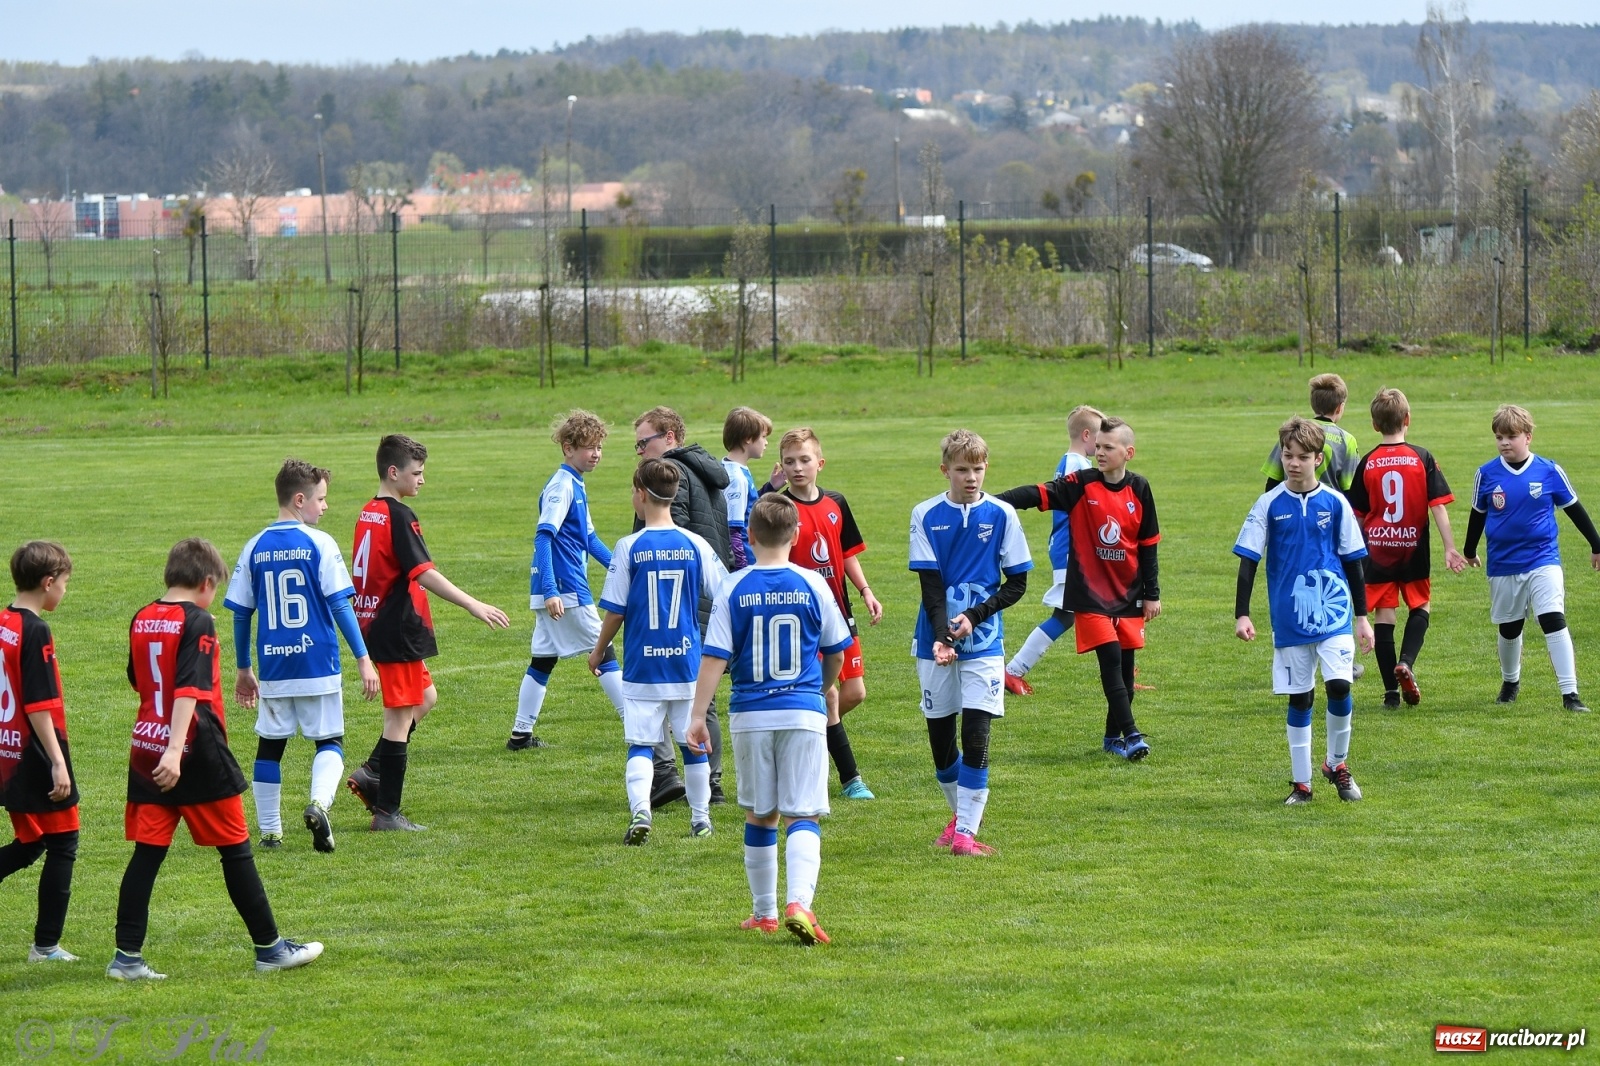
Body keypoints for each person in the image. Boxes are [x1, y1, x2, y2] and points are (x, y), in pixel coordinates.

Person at [110, 537, 322, 980]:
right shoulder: (200, 620)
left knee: (146, 855)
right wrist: (176, 749)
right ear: (207, 583)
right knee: (236, 851)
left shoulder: (143, 616)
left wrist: (161, 741)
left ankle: (126, 958)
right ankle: (270, 949)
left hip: (146, 745)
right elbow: (189, 687)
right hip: (193, 749)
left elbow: (139, 679)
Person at [686, 494, 852, 945]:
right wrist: (821, 687)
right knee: (804, 813)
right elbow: (837, 650)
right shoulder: (814, 585)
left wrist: (698, 715)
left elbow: (715, 657)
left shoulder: (733, 587)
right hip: (802, 711)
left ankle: (765, 914)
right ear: (796, 536)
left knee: (761, 816)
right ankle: (800, 902)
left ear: (752, 536)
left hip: (749, 715)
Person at [345, 435, 510, 831]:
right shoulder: (401, 515)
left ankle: (372, 771)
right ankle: (387, 813)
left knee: (427, 696)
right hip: (396, 627)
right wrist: (473, 604)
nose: (422, 481)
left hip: (375, 622)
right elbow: (424, 572)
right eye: (416, 473)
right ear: (393, 472)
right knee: (398, 720)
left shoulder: (368, 512)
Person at [227, 458, 380, 854]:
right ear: (300, 500)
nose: (325, 507)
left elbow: (242, 614)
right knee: (329, 740)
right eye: (321, 499)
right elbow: (341, 607)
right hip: (317, 664)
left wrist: (244, 667)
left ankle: (270, 831)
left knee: (270, 747)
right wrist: (363, 658)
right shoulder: (320, 543)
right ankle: (318, 804)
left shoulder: (254, 546)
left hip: (275, 666)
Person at [994, 417, 1162, 760]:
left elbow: (1148, 545)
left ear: (1128, 452)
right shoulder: (1081, 483)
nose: (1099, 453)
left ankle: (1111, 738)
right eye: (1097, 446)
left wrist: (1152, 593)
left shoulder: (1140, 488)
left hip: (1128, 594)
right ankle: (1132, 736)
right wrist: (991, 501)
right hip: (1089, 593)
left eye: (1108, 447)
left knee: (1127, 675)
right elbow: (1037, 494)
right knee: (1111, 660)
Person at [1234, 418, 1375, 805]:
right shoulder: (1268, 504)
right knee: (1301, 699)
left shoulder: (1335, 502)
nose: (1293, 464)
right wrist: (1242, 614)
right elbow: (1249, 560)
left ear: (1318, 458)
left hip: (1334, 614)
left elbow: (1353, 561)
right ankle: (1302, 784)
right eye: (1287, 456)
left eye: (1301, 457)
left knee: (1341, 686)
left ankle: (1337, 765)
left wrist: (1362, 618)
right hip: (1290, 618)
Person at [590, 459, 728, 843]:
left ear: (640, 494)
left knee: (640, 743)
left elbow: (616, 610)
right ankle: (700, 820)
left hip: (642, 665)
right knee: (692, 743)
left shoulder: (629, 546)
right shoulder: (695, 544)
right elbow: (724, 594)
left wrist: (599, 650)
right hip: (686, 663)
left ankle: (641, 814)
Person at [910, 430, 1032, 856]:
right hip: (933, 640)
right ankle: (960, 818)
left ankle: (965, 835)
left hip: (985, 645)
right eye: (962, 469)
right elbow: (931, 587)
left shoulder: (1002, 515)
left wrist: (976, 617)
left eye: (978, 469)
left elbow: (1017, 584)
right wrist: (943, 637)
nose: (971, 477)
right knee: (942, 748)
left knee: (977, 736)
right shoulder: (924, 514)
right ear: (945, 470)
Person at [769, 427, 883, 799]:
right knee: (830, 695)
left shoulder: (836, 503)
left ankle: (801, 733)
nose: (797, 468)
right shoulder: (781, 508)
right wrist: (765, 492)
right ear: (781, 467)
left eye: (804, 460)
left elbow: (846, 551)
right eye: (789, 462)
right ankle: (852, 780)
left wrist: (865, 591)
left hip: (840, 611)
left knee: (855, 692)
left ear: (820, 462)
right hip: (802, 619)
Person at [1463, 404, 1600, 712]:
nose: (1504, 443)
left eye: (1511, 436)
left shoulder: (1548, 470)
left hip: (1543, 559)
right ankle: (1510, 682)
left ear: (1528, 436)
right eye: (1499, 437)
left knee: (1553, 619)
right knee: (1509, 629)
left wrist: (1596, 543)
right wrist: (1470, 550)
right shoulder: (1486, 474)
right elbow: (1477, 515)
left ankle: (1571, 695)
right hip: (1503, 564)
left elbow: (1574, 509)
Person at [633, 406, 734, 808]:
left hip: (677, 600)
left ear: (670, 436)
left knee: (655, 687)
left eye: (646, 442)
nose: (641, 451)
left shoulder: (669, 476)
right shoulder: (709, 471)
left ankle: (664, 773)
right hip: (707, 594)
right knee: (701, 691)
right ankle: (713, 781)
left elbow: (666, 541)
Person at [509, 411, 627, 750]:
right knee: (604, 650)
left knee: (542, 661)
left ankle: (520, 736)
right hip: (564, 588)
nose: (596, 454)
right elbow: (544, 538)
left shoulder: (576, 483)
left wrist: (621, 568)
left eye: (600, 447)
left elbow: (589, 539)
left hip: (558, 588)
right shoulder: (562, 486)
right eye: (589, 447)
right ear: (568, 447)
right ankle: (637, 726)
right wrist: (551, 590)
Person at [1345, 389, 1468, 709]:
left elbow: (1356, 515)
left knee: (1385, 617)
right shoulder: (1421, 457)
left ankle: (1390, 693)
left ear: (1374, 424)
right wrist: (1450, 547)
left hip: (1378, 550)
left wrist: (1352, 555)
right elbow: (1438, 506)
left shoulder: (1368, 461)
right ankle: (1407, 663)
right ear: (1408, 419)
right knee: (1421, 607)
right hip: (1413, 547)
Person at [0, 541, 80, 964]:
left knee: (31, 841)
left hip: (6, 755)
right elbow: (37, 703)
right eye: (64, 583)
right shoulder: (36, 630)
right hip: (32, 755)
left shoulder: (1, 621)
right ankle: (45, 946)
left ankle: (46, 945)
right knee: (64, 841)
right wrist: (57, 761)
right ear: (48, 582)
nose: (64, 592)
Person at [1263, 373, 1365, 679]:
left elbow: (1271, 483)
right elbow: (1350, 490)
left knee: (1301, 586)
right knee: (1336, 587)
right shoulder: (1347, 440)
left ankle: (1323, 652)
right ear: (1341, 407)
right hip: (1331, 524)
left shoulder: (1291, 436)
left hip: (1297, 522)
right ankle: (1343, 654)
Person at [1004, 404, 1102, 696]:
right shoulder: (1078, 466)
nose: (1103, 444)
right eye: (1100, 438)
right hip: (1074, 553)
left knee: (1076, 615)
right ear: (1087, 435)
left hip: (1070, 551)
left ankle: (1123, 672)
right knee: (1070, 615)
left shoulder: (1071, 462)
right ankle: (1013, 671)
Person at [721, 406, 773, 572]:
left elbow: (747, 507)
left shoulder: (735, 468)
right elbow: (734, 530)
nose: (766, 442)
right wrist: (743, 570)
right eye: (763, 437)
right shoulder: (736, 478)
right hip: (744, 561)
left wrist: (772, 486)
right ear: (748, 438)